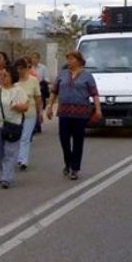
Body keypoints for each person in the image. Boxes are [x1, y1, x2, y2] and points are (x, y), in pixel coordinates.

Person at [46, 51, 101, 181]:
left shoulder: (87, 76)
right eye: (68, 59)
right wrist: (49, 107)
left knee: (78, 140)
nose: (68, 61)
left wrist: (98, 109)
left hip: (80, 113)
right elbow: (54, 91)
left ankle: (75, 168)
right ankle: (68, 162)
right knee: (64, 139)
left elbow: (94, 94)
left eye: (71, 59)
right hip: (64, 112)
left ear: (78, 60)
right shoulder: (63, 74)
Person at [0, 63, 28, 189]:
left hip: (12, 124)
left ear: (12, 76)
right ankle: (5, 172)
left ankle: (6, 178)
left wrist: (16, 106)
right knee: (0, 152)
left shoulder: (18, 91)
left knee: (10, 151)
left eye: (6, 75)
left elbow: (25, 106)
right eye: (2, 75)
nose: (3, 77)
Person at [15, 58, 43, 171]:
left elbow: (38, 98)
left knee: (25, 137)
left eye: (22, 68)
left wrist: (40, 112)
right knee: (16, 136)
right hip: (15, 113)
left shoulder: (33, 80)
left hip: (30, 112)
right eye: (18, 68)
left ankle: (23, 160)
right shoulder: (13, 81)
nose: (19, 71)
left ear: (27, 69)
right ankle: (17, 157)